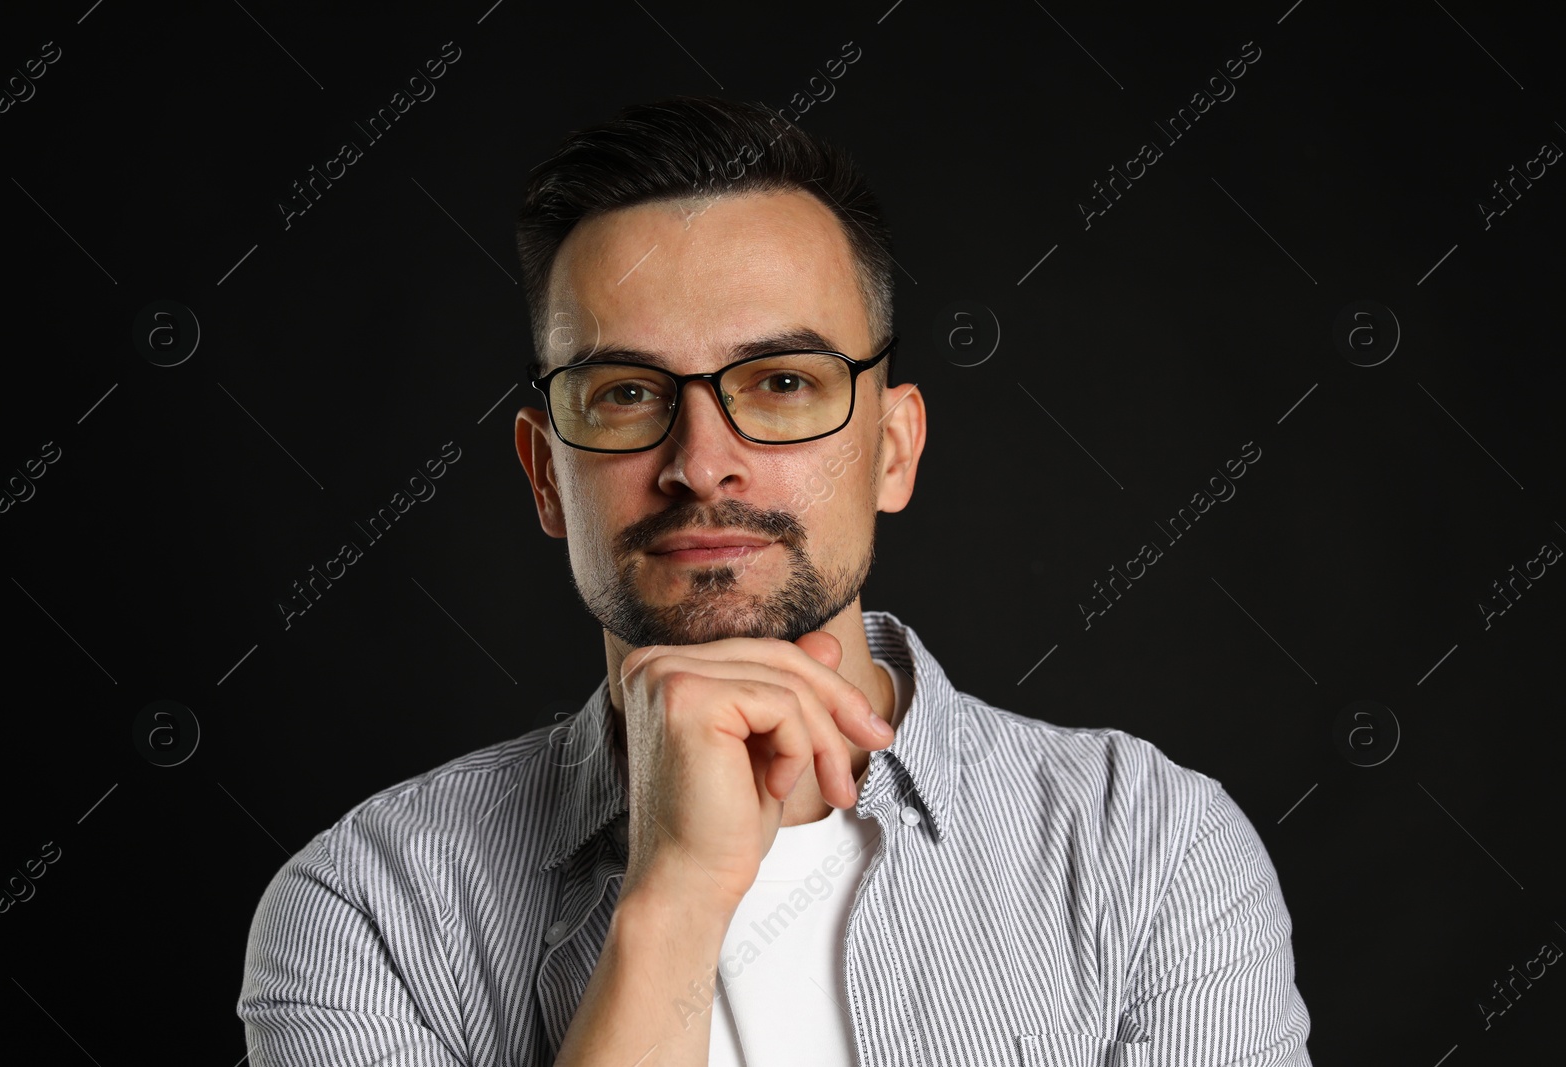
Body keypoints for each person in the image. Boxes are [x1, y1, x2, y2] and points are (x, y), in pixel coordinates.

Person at [238, 95, 1312, 1066]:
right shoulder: (366, 907)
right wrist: (673, 902)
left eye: (784, 381)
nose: (701, 460)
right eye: (623, 392)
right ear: (544, 473)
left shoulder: (1148, 848)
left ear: (893, 450)